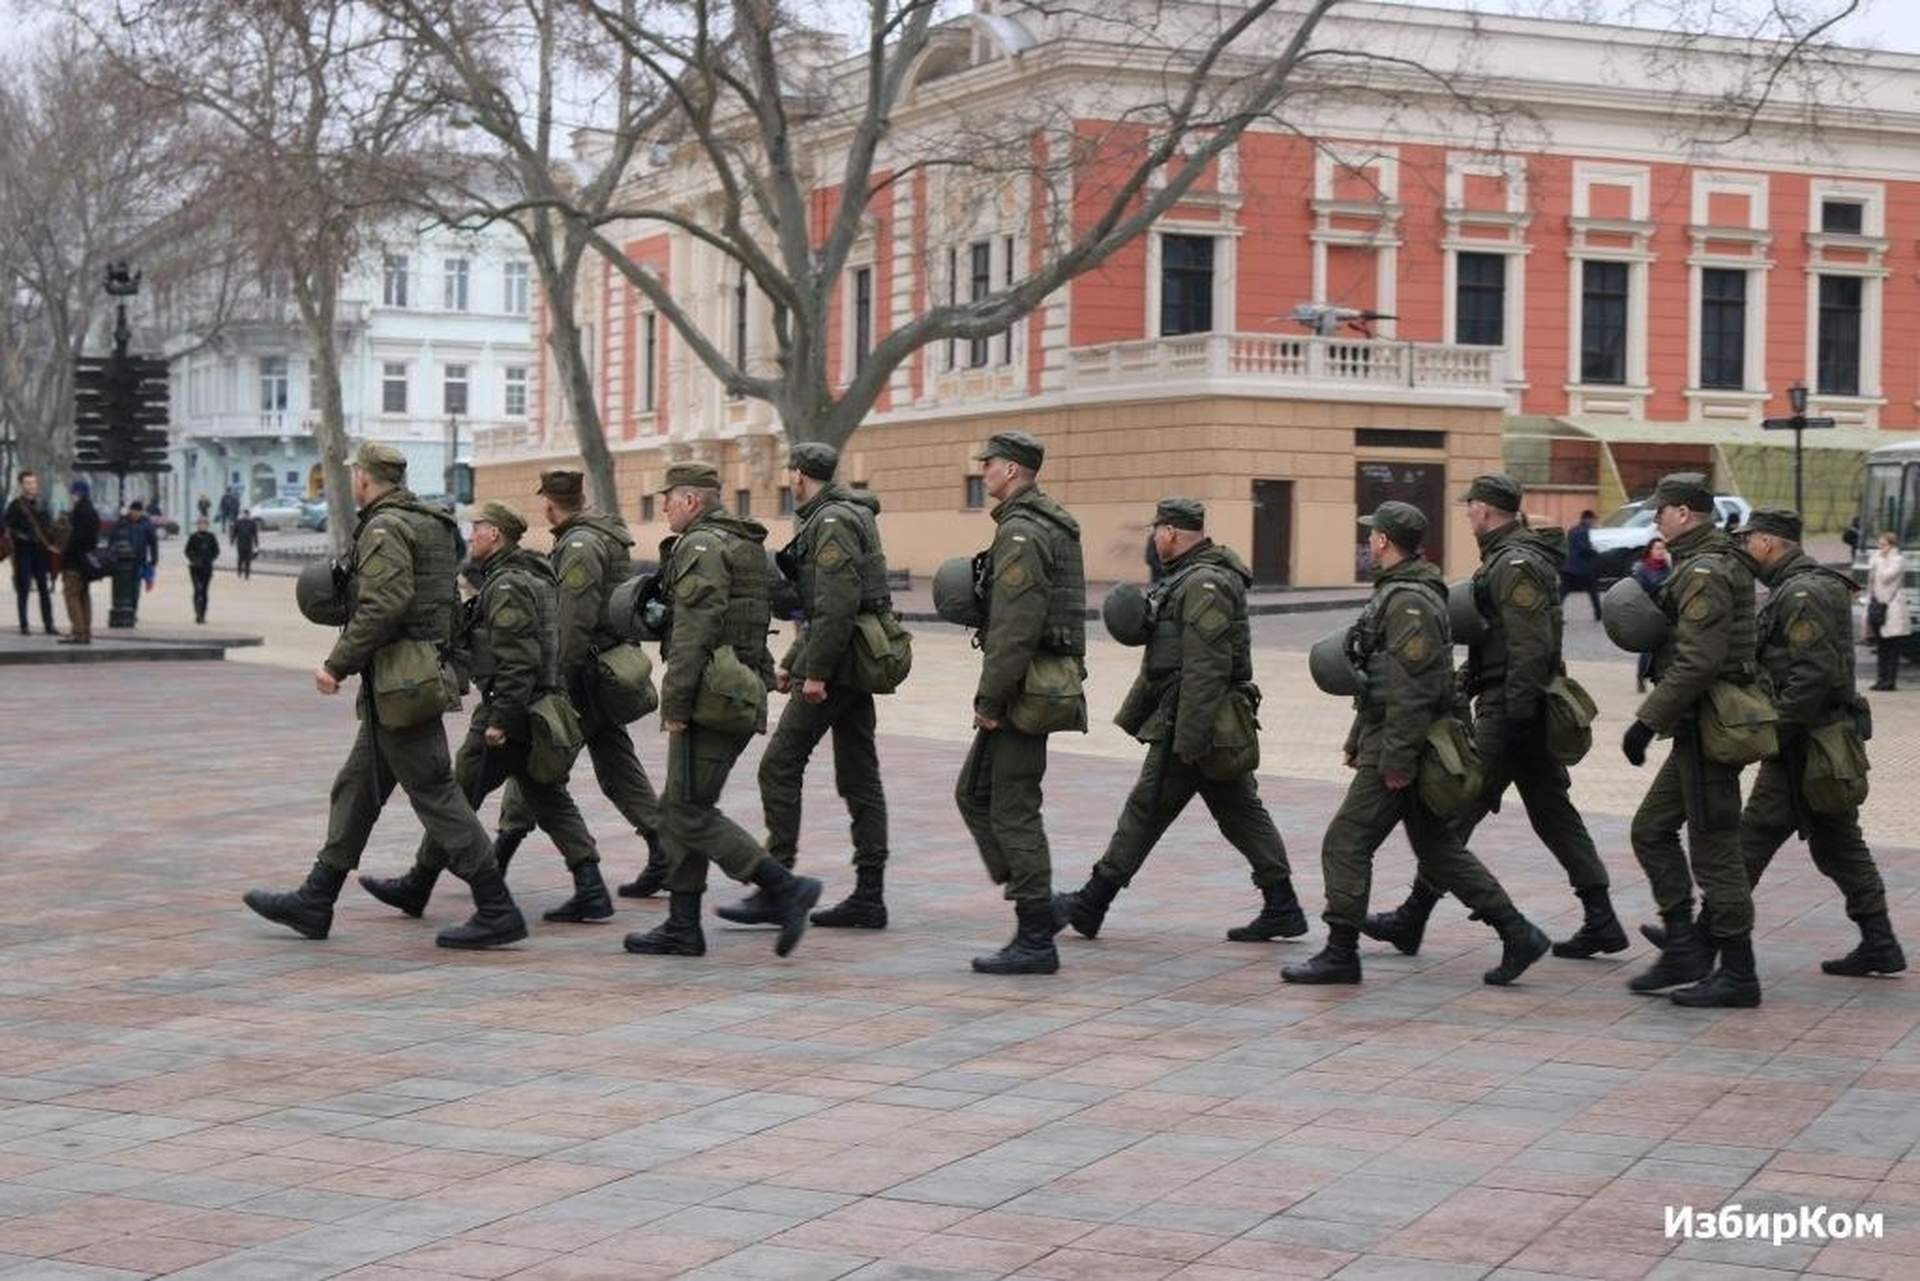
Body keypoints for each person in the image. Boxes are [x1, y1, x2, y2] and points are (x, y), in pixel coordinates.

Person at [242, 441, 527, 950]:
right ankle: (317, 897)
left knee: (436, 793)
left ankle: (495, 905)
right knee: (356, 787)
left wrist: (337, 662)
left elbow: (384, 604)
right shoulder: (430, 522)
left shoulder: (385, 526)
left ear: (364, 478)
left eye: (354, 475)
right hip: (410, 677)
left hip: (401, 682)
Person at [1284, 500, 1551, 987]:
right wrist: (1356, 738)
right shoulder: (1401, 593)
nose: (1368, 542)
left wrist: (1396, 761)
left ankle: (1341, 951)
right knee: (1439, 849)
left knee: (1345, 842)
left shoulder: (1408, 601)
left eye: (1372, 535)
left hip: (1402, 745)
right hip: (1390, 738)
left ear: (1384, 541)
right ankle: (1518, 932)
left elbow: (1414, 690)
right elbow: (1378, 680)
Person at [1362, 475, 1625, 963]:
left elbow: (1530, 646)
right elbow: (1504, 640)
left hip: (1512, 707)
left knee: (1458, 805)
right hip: (1512, 699)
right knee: (1551, 811)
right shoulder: (1507, 557)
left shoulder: (1515, 562)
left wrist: (1517, 717)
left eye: (1470, 509)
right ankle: (1602, 917)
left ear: (1484, 510)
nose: (1466, 516)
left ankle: (1415, 915)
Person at [1052, 498, 1308, 944]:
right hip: (1200, 720)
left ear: (1170, 533)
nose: (1154, 539)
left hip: (1194, 724)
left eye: (1157, 532)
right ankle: (1282, 906)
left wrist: (1190, 737)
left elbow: (1207, 667)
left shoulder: (1205, 582)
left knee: (1146, 809)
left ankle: (1091, 903)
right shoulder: (1193, 576)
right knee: (1241, 815)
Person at [359, 502, 611, 926]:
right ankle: (591, 888)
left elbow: (518, 662)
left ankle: (423, 883)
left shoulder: (509, 585)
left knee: (455, 796)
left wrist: (500, 720)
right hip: (533, 709)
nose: (471, 536)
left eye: (477, 529)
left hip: (510, 711)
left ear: (495, 534)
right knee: (546, 798)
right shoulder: (531, 575)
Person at [620, 461, 824, 959]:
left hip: (710, 694)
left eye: (668, 497)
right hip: (736, 686)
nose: (664, 505)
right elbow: (751, 618)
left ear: (691, 501)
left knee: (686, 809)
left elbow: (696, 628)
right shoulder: (743, 543)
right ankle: (682, 926)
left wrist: (676, 702)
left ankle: (782, 886)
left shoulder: (701, 545)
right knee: (682, 806)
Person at [1730, 509, 1905, 976]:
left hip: (1806, 743)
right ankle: (1879, 941)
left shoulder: (1803, 591)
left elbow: (1812, 675)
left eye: (1748, 541)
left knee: (1752, 837)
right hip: (1819, 741)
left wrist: (1776, 732)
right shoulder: (1805, 586)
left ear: (1767, 543)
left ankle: (1707, 935)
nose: (1745, 550)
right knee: (1839, 845)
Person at [481, 470, 667, 908]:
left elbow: (573, 620)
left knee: (537, 757)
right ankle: (666, 853)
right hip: (601, 669)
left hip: (582, 673)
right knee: (617, 768)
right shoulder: (600, 534)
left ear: (549, 504)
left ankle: (501, 858)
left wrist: (553, 681)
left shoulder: (581, 545)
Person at [1618, 472, 1762, 1008]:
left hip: (1708, 728)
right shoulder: (1703, 562)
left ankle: (1739, 973)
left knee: (1715, 849)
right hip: (1695, 727)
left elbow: (1699, 660)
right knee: (1651, 829)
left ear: (1683, 514)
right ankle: (1683, 945)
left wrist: (1645, 721)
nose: (1655, 519)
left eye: (1661, 510)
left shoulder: (1704, 569)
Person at [743, 442, 899, 929]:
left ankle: (779, 883)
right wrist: (795, 659)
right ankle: (869, 895)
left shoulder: (830, 521)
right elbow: (822, 608)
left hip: (842, 662)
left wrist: (815, 673)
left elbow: (835, 606)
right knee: (859, 774)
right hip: (849, 658)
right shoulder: (840, 514)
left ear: (797, 475)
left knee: (779, 765)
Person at [955, 430, 1087, 975]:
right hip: (1033, 683)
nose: (982, 471)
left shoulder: (1022, 533)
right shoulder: (1041, 524)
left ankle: (1036, 932)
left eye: (988, 464)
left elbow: (1015, 627)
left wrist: (991, 699)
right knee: (975, 793)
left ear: (1011, 471)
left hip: (1023, 688)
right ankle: (1040, 903)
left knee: (1012, 808)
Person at [6, 470, 58, 636]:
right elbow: (8, 528)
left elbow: (49, 525)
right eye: (28, 483)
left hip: (40, 552)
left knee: (44, 588)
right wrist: (23, 536)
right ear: (21, 485)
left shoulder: (42, 504)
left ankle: (49, 624)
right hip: (23, 551)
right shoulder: (15, 506)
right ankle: (24, 624)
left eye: (33, 483)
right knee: (24, 588)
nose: (31, 486)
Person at [58, 480, 100, 645]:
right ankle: (86, 631)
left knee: (71, 596)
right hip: (86, 562)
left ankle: (78, 632)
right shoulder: (92, 511)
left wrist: (65, 551)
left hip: (74, 561)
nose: (71, 496)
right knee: (84, 596)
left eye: (72, 493)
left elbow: (75, 538)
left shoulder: (79, 512)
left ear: (77, 494)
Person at [107, 501, 160, 626]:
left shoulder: (146, 524)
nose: (135, 514)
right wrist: (110, 555)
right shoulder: (122, 522)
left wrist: (154, 559)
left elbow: (153, 543)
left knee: (135, 588)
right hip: (121, 561)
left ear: (141, 512)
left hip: (139, 560)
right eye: (133, 511)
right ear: (130, 511)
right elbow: (113, 538)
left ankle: (132, 611)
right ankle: (122, 610)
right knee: (121, 587)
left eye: (138, 511)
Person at [1867, 530, 1908, 691]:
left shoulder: (1898, 560)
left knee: (1892, 646)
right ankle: (1881, 678)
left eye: (1883, 545)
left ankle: (1890, 680)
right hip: (1878, 606)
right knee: (1881, 646)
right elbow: (1871, 579)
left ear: (1892, 546)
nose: (1880, 548)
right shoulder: (1877, 558)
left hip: (1892, 608)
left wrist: (1882, 559)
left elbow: (1886, 576)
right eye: (1879, 544)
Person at [1631, 538, 1672, 693]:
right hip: (1648, 613)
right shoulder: (1642, 569)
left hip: (1664, 614)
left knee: (1665, 648)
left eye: (1663, 549)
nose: (1661, 552)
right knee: (1648, 649)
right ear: (1650, 550)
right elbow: (1640, 591)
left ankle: (1661, 679)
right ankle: (1641, 677)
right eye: (1657, 548)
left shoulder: (1667, 568)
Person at [1560, 508, 1601, 621]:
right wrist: (1596, 553)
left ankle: (1554, 613)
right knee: (1593, 591)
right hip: (1582, 568)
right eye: (1593, 520)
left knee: (1563, 592)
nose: (1594, 523)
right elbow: (1584, 549)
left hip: (1567, 566)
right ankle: (1599, 614)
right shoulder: (1584, 531)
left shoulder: (1573, 530)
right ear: (1588, 519)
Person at [184, 517, 220, 624]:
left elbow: (216, 551)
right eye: (200, 524)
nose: (202, 526)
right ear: (197, 525)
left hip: (207, 568)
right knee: (197, 589)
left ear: (207, 526)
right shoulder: (193, 537)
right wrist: (193, 559)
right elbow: (187, 551)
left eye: (204, 524)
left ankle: (202, 614)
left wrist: (210, 559)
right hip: (195, 568)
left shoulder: (211, 537)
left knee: (204, 591)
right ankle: (197, 613)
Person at [233, 508, 260, 579]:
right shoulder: (238, 522)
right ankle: (239, 572)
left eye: (246, 514)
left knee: (248, 560)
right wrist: (232, 540)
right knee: (240, 559)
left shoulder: (252, 523)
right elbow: (234, 532)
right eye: (244, 514)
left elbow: (255, 534)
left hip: (249, 543)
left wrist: (256, 543)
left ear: (248, 515)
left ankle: (247, 574)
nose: (245, 516)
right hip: (240, 543)